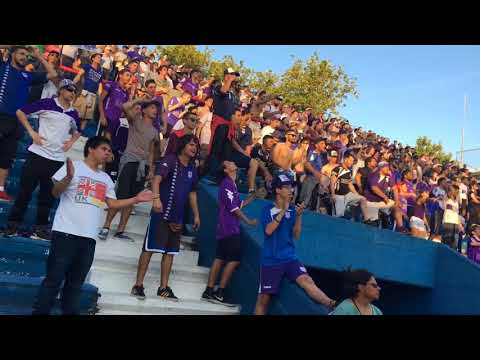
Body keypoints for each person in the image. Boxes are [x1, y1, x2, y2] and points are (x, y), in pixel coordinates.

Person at [31, 136, 156, 315]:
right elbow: (55, 192)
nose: (108, 153)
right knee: (53, 280)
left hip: (89, 239)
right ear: (91, 148)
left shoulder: (105, 178)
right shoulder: (73, 167)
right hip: (65, 234)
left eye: (109, 151)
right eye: (104, 149)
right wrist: (68, 177)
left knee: (75, 285)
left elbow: (112, 204)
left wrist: (136, 199)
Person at [4, 79, 81, 239]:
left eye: (74, 91)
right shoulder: (47, 103)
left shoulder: (73, 113)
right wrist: (32, 133)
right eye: (68, 90)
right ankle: (12, 225)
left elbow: (77, 131)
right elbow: (20, 112)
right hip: (37, 155)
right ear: (60, 90)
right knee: (25, 192)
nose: (72, 93)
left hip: (56, 159)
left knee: (47, 196)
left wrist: (71, 142)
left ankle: (40, 228)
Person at [254, 174, 336, 315]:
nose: (291, 190)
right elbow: (268, 231)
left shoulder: (293, 210)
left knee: (307, 280)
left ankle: (333, 304)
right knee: (263, 300)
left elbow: (296, 235)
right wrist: (283, 211)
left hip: (290, 258)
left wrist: (298, 216)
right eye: (286, 187)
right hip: (271, 261)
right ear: (278, 190)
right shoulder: (267, 210)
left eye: (291, 187)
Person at [131, 135, 201, 301]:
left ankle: (163, 287)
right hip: (161, 212)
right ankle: (138, 285)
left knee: (170, 252)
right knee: (149, 249)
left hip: (178, 217)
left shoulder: (192, 168)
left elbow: (192, 193)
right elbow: (156, 179)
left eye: (196, 146)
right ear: (183, 145)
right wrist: (156, 199)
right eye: (191, 144)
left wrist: (197, 214)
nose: (194, 148)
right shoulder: (170, 160)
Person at [0, 45, 57, 202]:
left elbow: (53, 73)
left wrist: (38, 56)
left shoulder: (29, 75)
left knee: (6, 157)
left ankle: (0, 189)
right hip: (1, 116)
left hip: (16, 120)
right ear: (12, 54)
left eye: (27, 55)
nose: (25, 56)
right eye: (21, 53)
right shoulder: (3, 67)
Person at [99, 98, 159, 241]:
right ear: (144, 110)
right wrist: (140, 100)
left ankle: (121, 230)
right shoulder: (135, 120)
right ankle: (106, 226)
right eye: (151, 107)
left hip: (142, 165)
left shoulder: (155, 131)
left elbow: (151, 151)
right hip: (129, 161)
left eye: (155, 108)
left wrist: (150, 169)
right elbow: (125, 106)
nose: (154, 110)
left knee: (133, 198)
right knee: (121, 195)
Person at [202, 161, 257, 304]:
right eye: (230, 163)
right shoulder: (227, 184)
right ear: (226, 169)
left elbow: (238, 204)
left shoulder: (232, 185)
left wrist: (253, 197)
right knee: (233, 260)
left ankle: (209, 290)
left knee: (220, 258)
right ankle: (220, 291)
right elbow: (234, 209)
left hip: (226, 228)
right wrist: (248, 221)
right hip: (229, 228)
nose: (233, 163)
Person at [207, 68, 240, 173]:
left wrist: (236, 128)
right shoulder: (218, 87)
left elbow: (233, 113)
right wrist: (229, 80)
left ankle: (220, 177)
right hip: (219, 124)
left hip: (228, 126)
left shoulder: (232, 94)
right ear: (226, 76)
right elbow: (223, 91)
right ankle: (209, 174)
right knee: (215, 151)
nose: (234, 78)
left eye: (235, 76)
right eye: (232, 75)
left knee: (225, 154)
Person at [229, 108, 260, 195]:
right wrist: (243, 153)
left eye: (250, 119)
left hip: (241, 154)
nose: (248, 121)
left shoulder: (248, 130)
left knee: (255, 162)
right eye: (247, 118)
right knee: (253, 162)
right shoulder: (234, 126)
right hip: (232, 152)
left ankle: (251, 188)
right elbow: (233, 141)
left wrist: (247, 155)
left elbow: (248, 145)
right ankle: (250, 188)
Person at [330, 152, 369, 219]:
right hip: (339, 196)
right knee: (338, 216)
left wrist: (357, 194)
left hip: (348, 194)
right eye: (351, 160)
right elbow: (332, 182)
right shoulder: (337, 169)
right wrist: (333, 195)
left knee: (363, 199)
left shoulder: (349, 171)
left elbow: (350, 185)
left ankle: (366, 220)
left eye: (352, 161)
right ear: (345, 159)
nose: (352, 162)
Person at [73, 51, 103, 131]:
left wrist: (99, 96)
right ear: (93, 58)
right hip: (85, 93)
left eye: (100, 57)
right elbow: (79, 75)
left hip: (93, 95)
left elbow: (100, 84)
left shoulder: (100, 71)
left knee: (87, 117)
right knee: (78, 113)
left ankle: (80, 132)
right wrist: (72, 84)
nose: (100, 59)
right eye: (98, 57)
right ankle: (72, 130)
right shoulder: (87, 66)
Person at [298, 137, 329, 208]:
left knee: (314, 201)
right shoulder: (313, 154)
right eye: (322, 143)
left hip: (317, 181)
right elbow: (307, 164)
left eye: (324, 143)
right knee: (304, 201)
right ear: (316, 145)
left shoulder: (322, 155)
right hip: (310, 179)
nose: (324, 145)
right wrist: (315, 172)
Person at [363, 162, 396, 226]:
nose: (388, 168)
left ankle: (384, 214)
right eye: (386, 167)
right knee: (373, 223)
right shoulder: (373, 175)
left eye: (388, 167)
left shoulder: (388, 177)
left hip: (380, 202)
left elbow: (395, 189)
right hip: (370, 201)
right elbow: (374, 188)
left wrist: (397, 201)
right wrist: (384, 197)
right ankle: (382, 214)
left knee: (394, 204)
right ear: (381, 168)